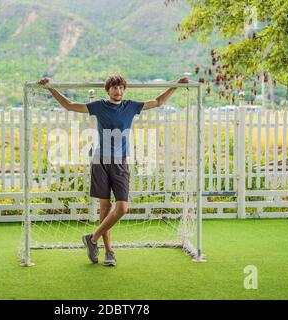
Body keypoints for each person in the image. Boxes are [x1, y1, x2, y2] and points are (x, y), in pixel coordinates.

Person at [38, 75, 189, 266]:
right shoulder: (99, 106)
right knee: (105, 207)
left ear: (124, 90)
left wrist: (175, 85)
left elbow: (158, 102)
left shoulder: (131, 106)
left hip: (120, 163)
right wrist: (51, 88)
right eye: (114, 88)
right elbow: (69, 105)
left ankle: (92, 239)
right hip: (100, 161)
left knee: (122, 208)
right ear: (107, 90)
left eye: (121, 88)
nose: (118, 91)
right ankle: (109, 252)